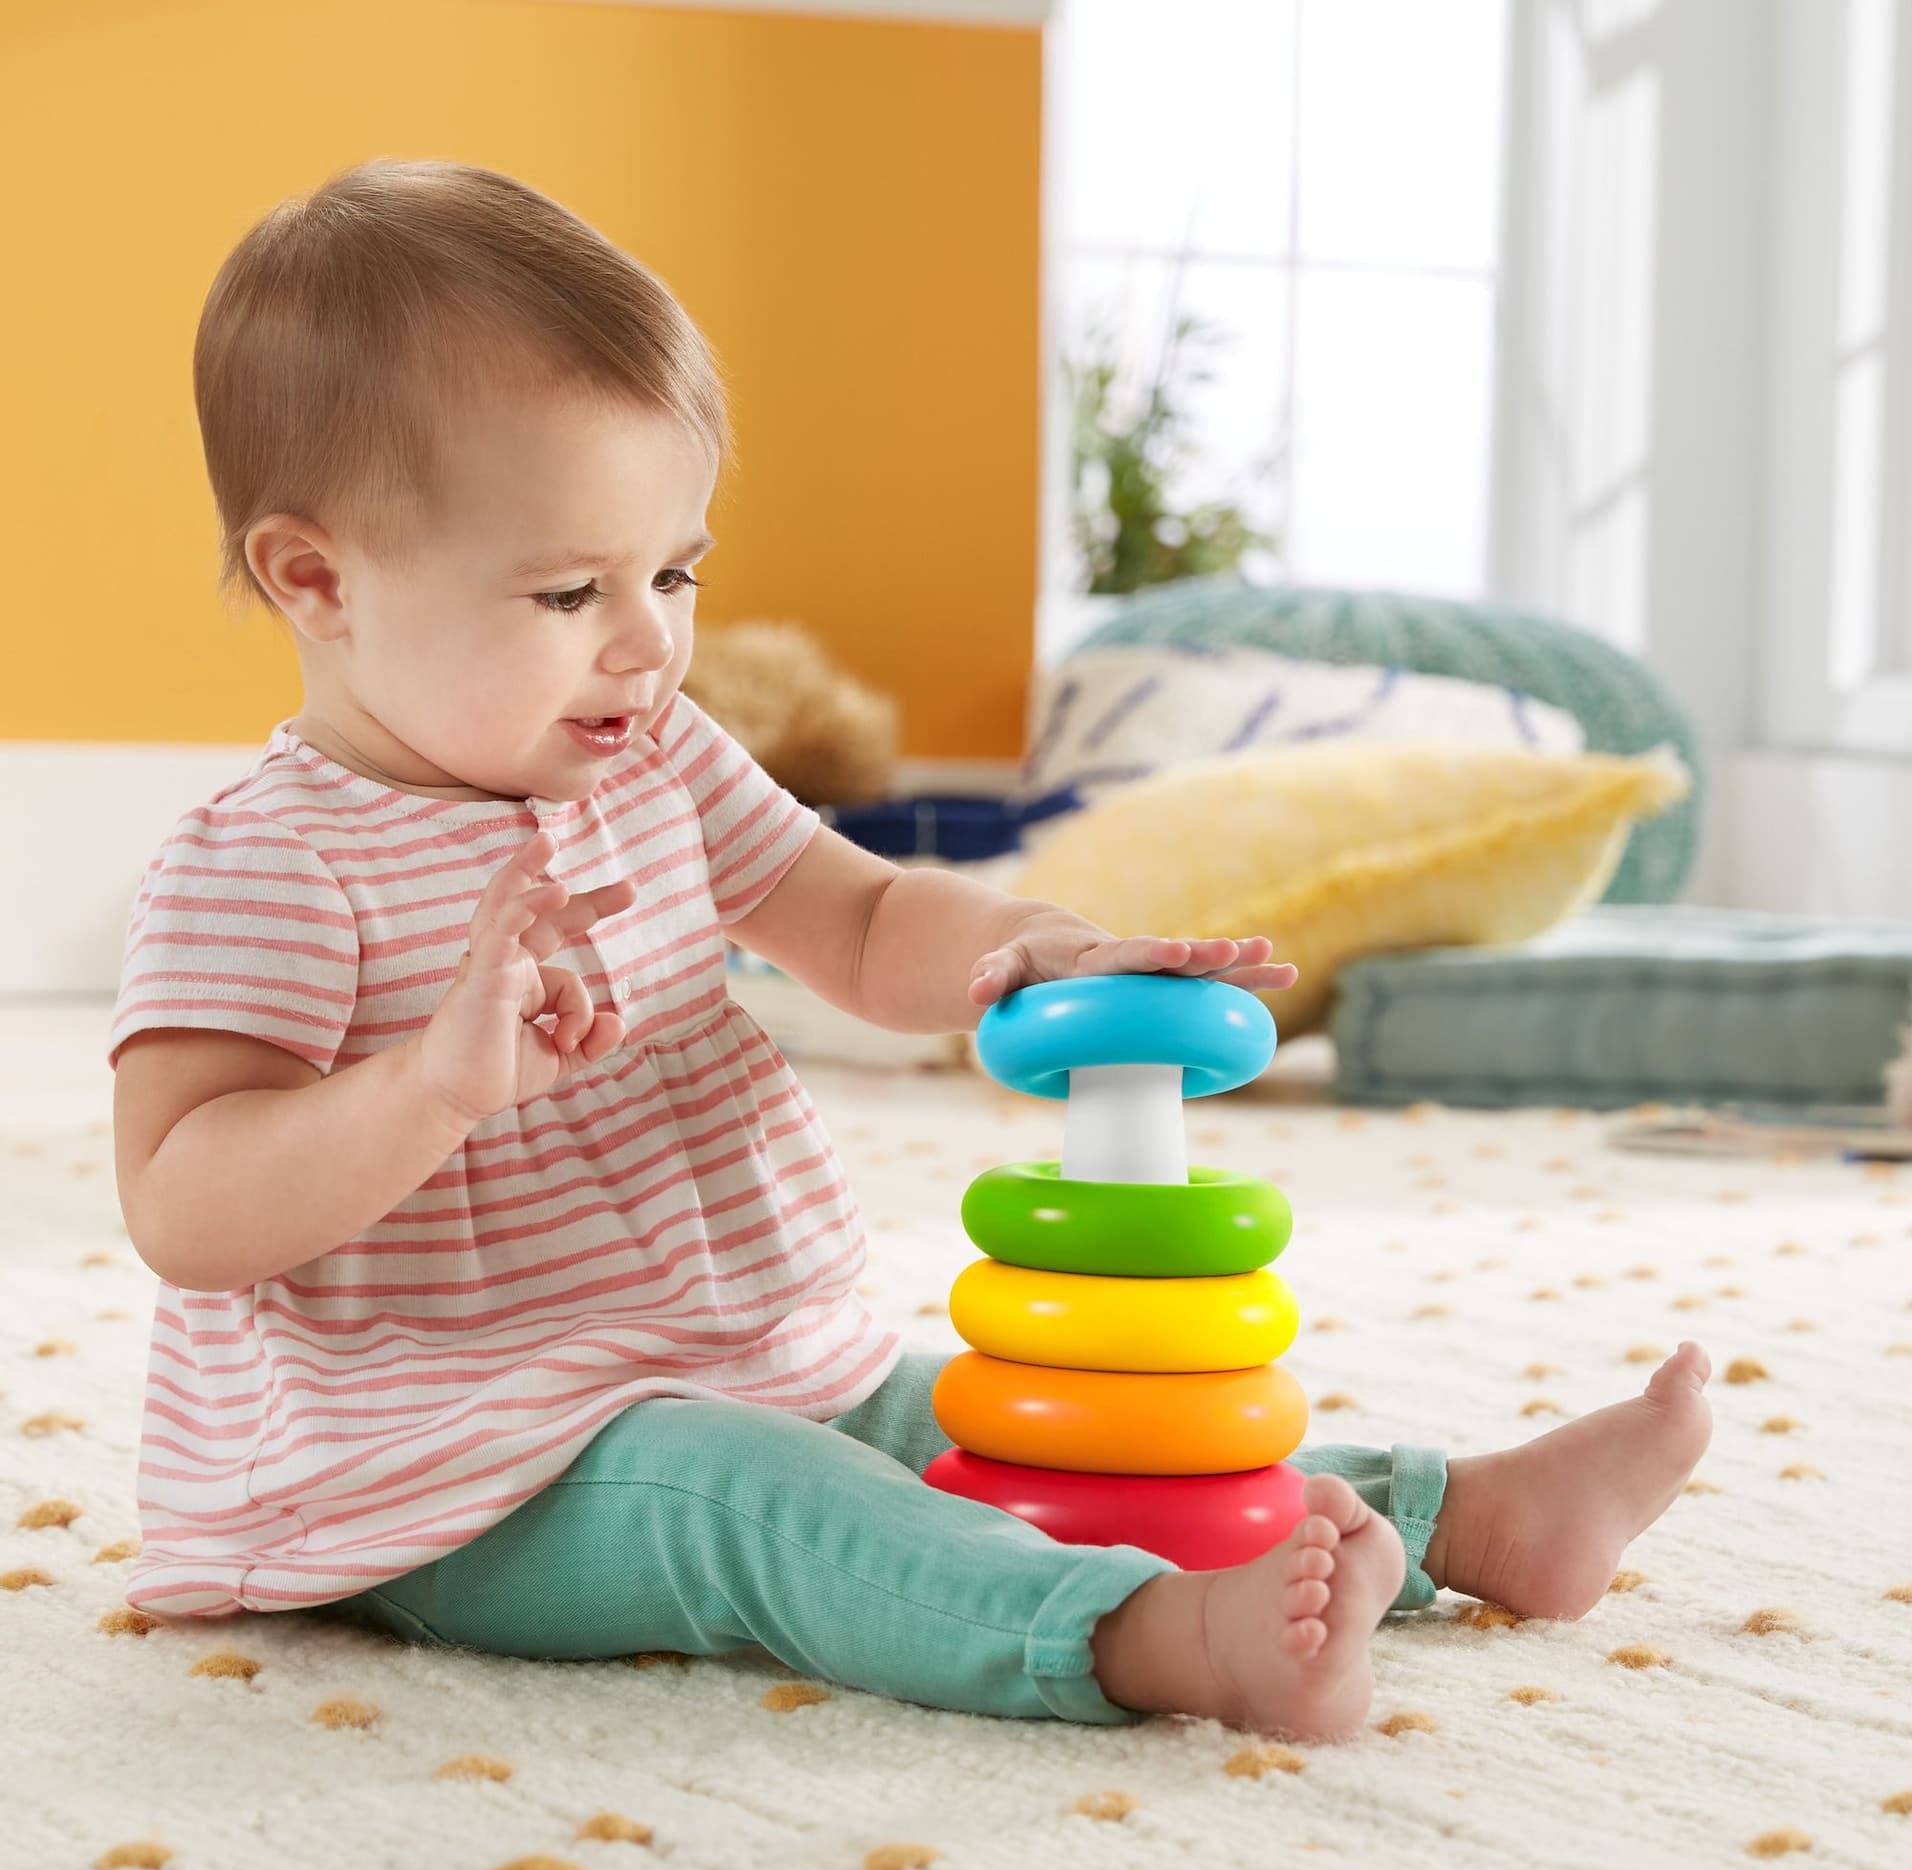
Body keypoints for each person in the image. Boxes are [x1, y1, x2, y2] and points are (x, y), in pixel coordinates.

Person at [108, 159, 1714, 1741]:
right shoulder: (270, 864)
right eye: (567, 590)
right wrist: (431, 1088)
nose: (650, 638)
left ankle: (1465, 1521)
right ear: (314, 578)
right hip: (445, 1464)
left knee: (1004, 1409)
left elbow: (862, 916)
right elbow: (185, 1204)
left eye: (673, 570)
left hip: (752, 1350)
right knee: (756, 1499)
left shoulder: (653, 755)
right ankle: (1152, 1636)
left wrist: (1032, 941)